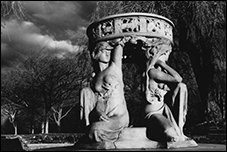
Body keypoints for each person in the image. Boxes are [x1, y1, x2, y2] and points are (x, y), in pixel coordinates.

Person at [80, 37, 130, 142]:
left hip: (119, 116)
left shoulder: (114, 67)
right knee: (92, 128)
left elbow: (119, 45)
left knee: (95, 129)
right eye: (104, 50)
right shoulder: (94, 79)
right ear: (96, 53)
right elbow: (100, 100)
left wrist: (120, 41)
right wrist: (99, 112)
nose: (108, 53)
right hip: (106, 115)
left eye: (109, 51)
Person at [141, 37, 189, 142]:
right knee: (172, 134)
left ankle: (179, 128)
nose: (168, 56)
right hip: (153, 114)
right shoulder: (153, 72)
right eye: (167, 52)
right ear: (162, 53)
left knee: (182, 86)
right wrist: (163, 64)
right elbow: (178, 78)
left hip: (163, 110)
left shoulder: (157, 72)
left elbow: (178, 84)